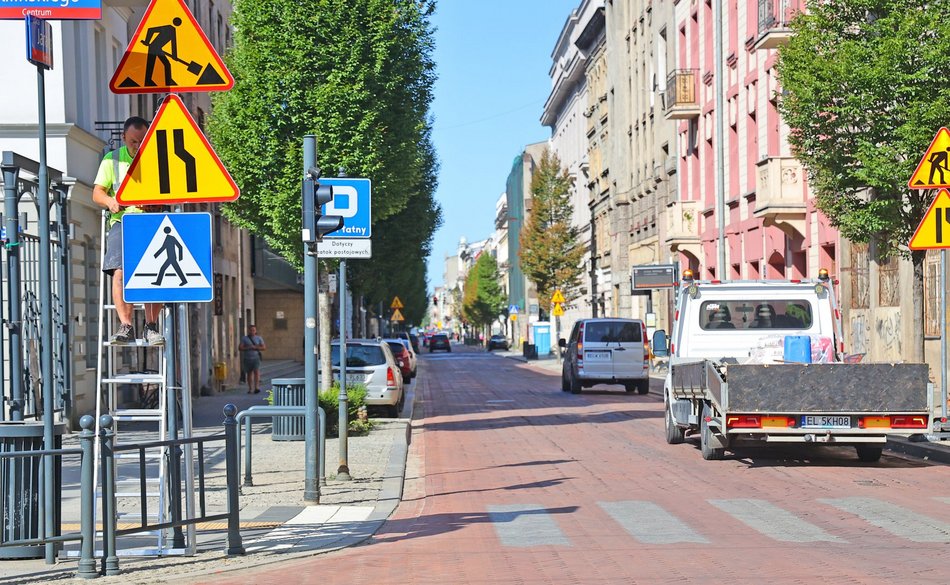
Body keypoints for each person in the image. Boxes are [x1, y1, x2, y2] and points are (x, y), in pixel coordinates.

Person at [93, 116, 165, 346]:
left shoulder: (156, 159)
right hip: (122, 221)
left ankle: (151, 326)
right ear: (124, 138)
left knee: (155, 274)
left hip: (151, 221)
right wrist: (111, 202)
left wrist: (155, 203)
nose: (138, 146)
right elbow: (97, 194)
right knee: (120, 272)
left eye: (143, 141)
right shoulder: (111, 160)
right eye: (134, 141)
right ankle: (126, 326)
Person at [239, 325, 266, 394]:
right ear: (248, 330)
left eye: (254, 330)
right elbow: (240, 348)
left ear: (256, 331)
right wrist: (248, 347)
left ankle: (256, 387)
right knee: (249, 373)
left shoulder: (259, 338)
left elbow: (263, 347)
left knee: (256, 372)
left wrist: (256, 347)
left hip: (256, 358)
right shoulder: (244, 338)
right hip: (247, 358)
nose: (252, 331)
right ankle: (250, 388)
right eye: (251, 330)